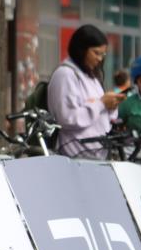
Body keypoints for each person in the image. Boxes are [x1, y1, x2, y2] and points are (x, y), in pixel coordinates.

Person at [47, 24, 123, 157]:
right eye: (96, 53)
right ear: (81, 50)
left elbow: (101, 112)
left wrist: (110, 106)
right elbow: (67, 118)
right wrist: (101, 104)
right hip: (76, 153)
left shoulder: (91, 76)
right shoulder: (66, 75)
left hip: (96, 152)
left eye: (103, 54)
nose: (100, 59)